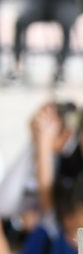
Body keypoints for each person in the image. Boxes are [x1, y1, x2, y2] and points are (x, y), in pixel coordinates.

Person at [0, 102, 77, 237]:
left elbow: (51, 217)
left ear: (65, 133)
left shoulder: (70, 161)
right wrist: (36, 143)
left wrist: (43, 142)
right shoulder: (37, 153)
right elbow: (4, 205)